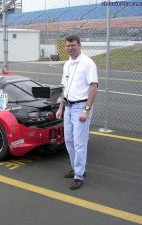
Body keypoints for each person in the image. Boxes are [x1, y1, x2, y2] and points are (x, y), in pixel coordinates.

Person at [56, 35, 98, 190]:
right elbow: (64, 88)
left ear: (80, 45)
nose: (70, 48)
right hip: (68, 107)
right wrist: (61, 108)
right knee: (69, 141)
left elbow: (93, 87)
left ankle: (79, 176)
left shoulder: (88, 63)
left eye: (73, 45)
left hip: (81, 107)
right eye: (67, 46)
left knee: (80, 143)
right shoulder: (67, 64)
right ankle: (75, 168)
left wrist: (86, 110)